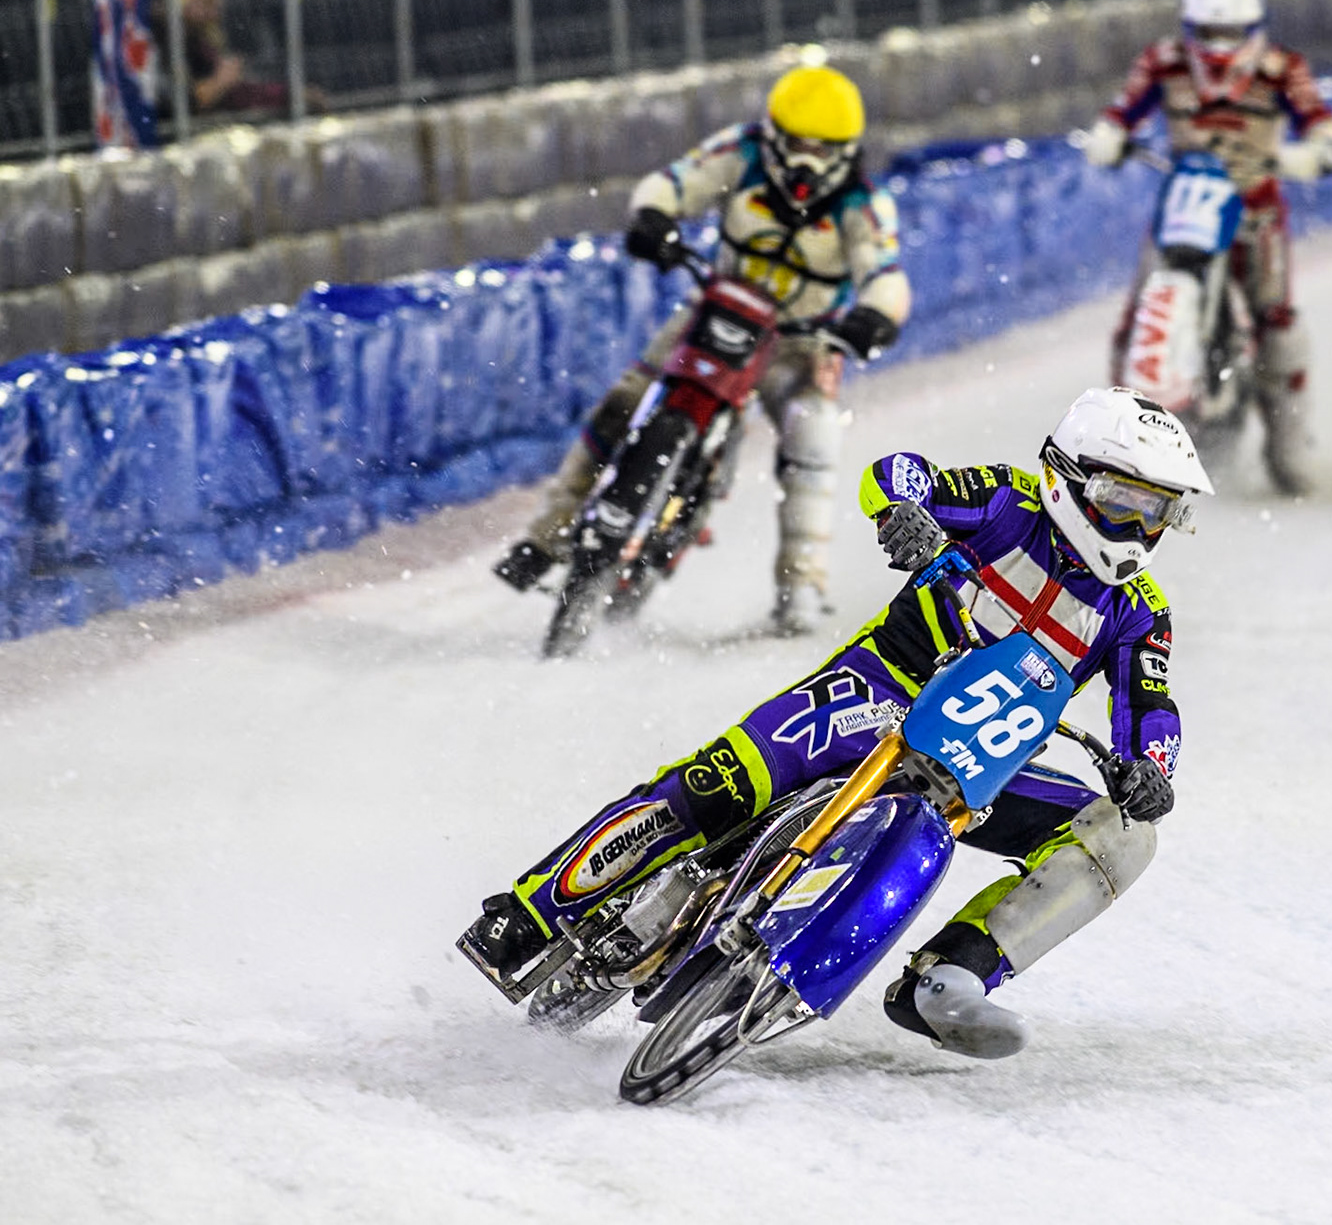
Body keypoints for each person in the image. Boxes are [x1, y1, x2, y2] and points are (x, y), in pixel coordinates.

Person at [464, 387, 1212, 1058]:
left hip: (983, 758)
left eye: (1158, 510)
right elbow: (898, 473)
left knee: (1123, 837)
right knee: (721, 783)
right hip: (877, 688)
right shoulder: (1006, 501)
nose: (1141, 528)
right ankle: (528, 915)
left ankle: (953, 979)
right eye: (1125, 501)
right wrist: (905, 514)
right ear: (1068, 477)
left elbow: (1151, 702)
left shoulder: (1141, 611)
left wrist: (1151, 768)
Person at [494, 64, 911, 635]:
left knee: (813, 436)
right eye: (796, 145)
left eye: (824, 149)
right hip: (717, 312)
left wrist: (873, 317)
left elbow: (884, 272)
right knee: (622, 404)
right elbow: (673, 182)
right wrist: (654, 219)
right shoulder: (740, 153)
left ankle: (801, 588)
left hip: (800, 342)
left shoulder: (863, 204)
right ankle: (546, 537)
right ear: (773, 136)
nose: (807, 163)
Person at [1082, 0, 1332, 495]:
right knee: (1134, 321)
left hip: (1256, 212)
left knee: (1277, 323)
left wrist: (1316, 151)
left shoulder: (1281, 67)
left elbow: (1318, 118)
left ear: (1254, 30)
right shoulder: (1163, 61)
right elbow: (1122, 109)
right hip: (1182, 203)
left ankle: (1289, 450)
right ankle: (1112, 446)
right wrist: (1109, 134)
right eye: (1207, 33)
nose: (1218, 47)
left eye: (1231, 33)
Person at [180, 0, 322, 115]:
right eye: (206, 1)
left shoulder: (204, 39)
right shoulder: (172, 41)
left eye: (218, 3)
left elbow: (240, 94)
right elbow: (186, 102)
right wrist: (222, 80)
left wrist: (287, 95)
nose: (214, 12)